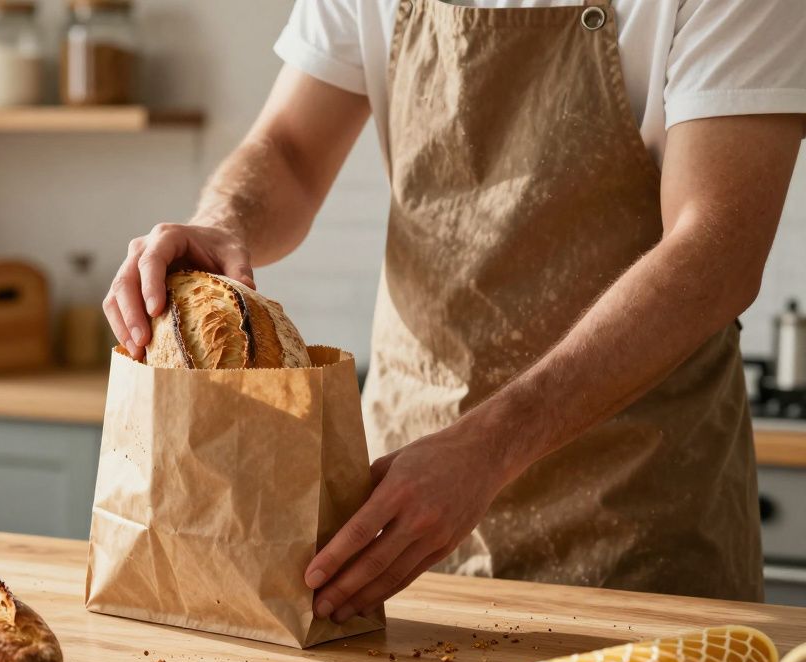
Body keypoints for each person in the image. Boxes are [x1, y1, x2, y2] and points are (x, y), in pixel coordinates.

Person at [102, 0, 806, 621]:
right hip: (395, 521)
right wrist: (225, 220)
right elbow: (288, 149)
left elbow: (716, 250)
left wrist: (491, 447)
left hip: (639, 530)